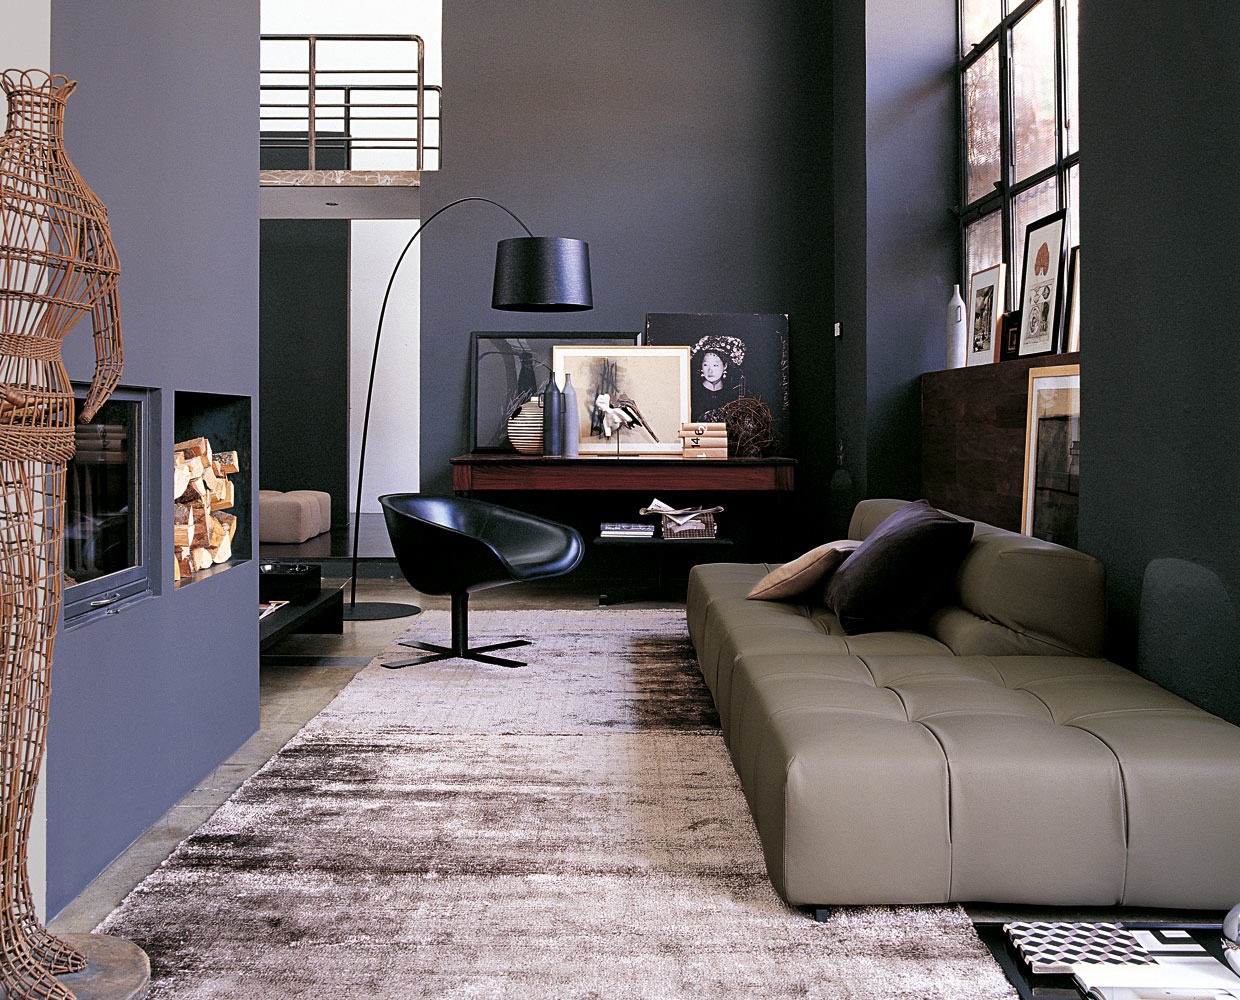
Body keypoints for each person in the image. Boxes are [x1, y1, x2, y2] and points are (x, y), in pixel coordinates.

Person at [0, 69, 123, 997]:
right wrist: (78, 401)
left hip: (33, 417)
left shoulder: (66, 202)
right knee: (26, 663)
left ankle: (15, 911)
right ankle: (11, 915)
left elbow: (112, 345)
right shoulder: (80, 204)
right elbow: (111, 356)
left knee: (26, 664)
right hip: (43, 407)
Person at [690, 334, 746, 422]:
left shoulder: (732, 395)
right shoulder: (692, 393)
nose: (710, 370)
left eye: (715, 365)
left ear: (725, 366)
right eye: (706, 365)